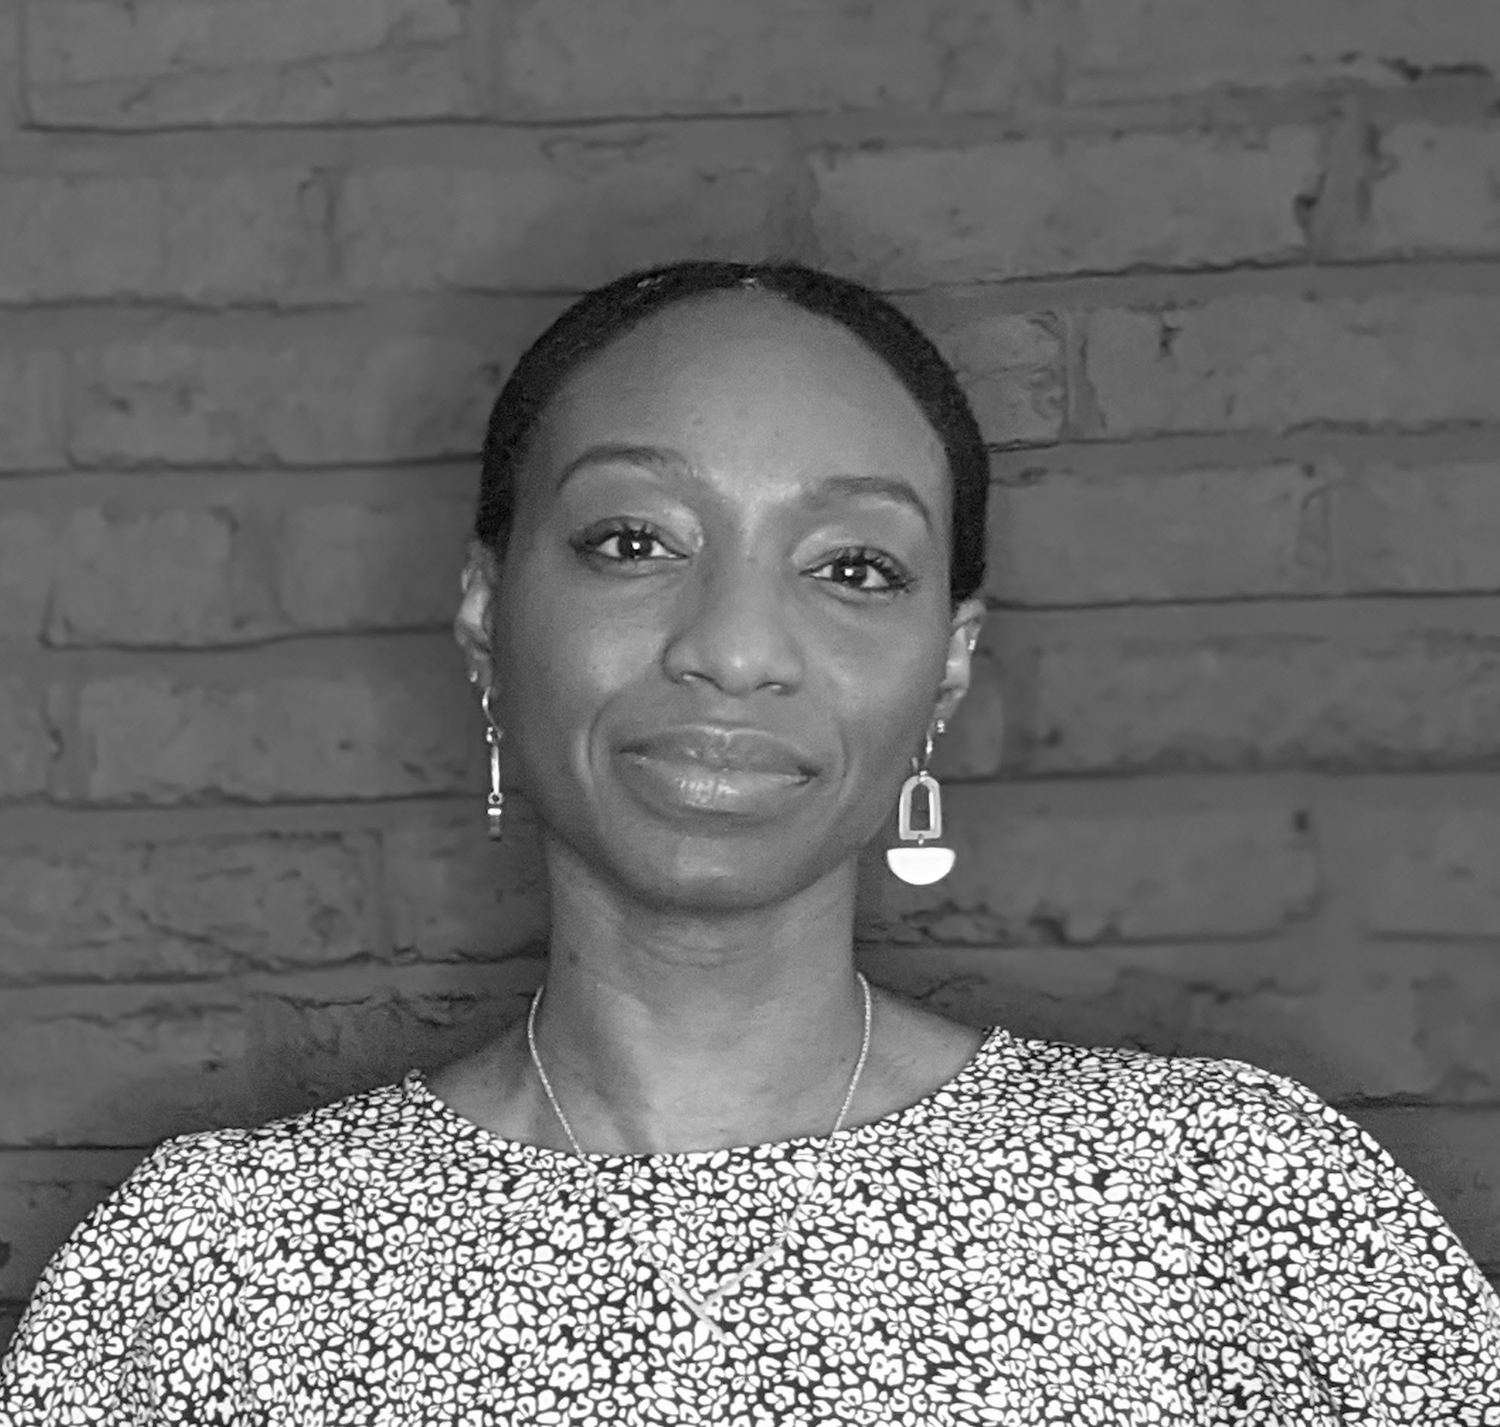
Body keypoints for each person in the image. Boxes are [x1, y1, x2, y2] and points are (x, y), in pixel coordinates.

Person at [3, 260, 1498, 1425]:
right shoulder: (210, 1279)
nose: (732, 648)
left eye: (854, 566)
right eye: (633, 541)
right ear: (485, 607)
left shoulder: (1230, 1212)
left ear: (950, 661)